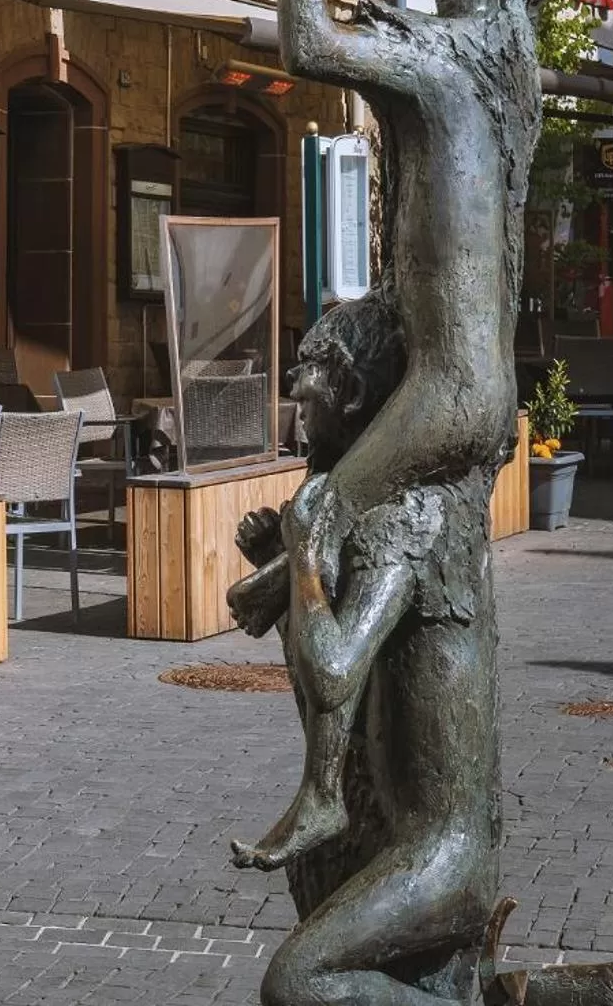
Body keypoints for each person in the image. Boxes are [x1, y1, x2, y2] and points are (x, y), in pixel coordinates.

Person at [247, 0, 545, 1006]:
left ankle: (321, 786)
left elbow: (304, 37)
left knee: (319, 513)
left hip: (448, 393)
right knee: (313, 532)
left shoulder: (448, 60)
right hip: (456, 393)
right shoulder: (478, 66)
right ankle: (330, 796)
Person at [226, 294, 404, 873]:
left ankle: (321, 796)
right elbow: (306, 644)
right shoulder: (329, 488)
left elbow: (329, 672)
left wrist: (296, 554)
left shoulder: (375, 518)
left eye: (307, 396)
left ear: (350, 395)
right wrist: (278, 560)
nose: (297, 408)